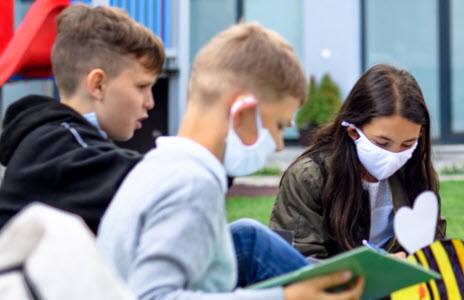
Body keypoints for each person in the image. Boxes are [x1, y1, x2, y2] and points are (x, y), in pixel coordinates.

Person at [95, 23, 362, 300]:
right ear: (243, 113)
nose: (280, 143)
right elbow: (152, 296)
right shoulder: (192, 184)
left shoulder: (158, 165)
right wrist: (285, 297)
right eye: (280, 125)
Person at [0, 4, 162, 232]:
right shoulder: (58, 146)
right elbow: (160, 183)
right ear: (98, 85)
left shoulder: (59, 139)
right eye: (142, 86)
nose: (150, 102)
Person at [271, 64, 444, 259]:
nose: (394, 155)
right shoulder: (309, 177)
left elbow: (435, 244)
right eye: (383, 143)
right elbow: (294, 262)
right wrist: (373, 271)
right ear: (353, 131)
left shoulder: (413, 171)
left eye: (407, 144)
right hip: (336, 287)